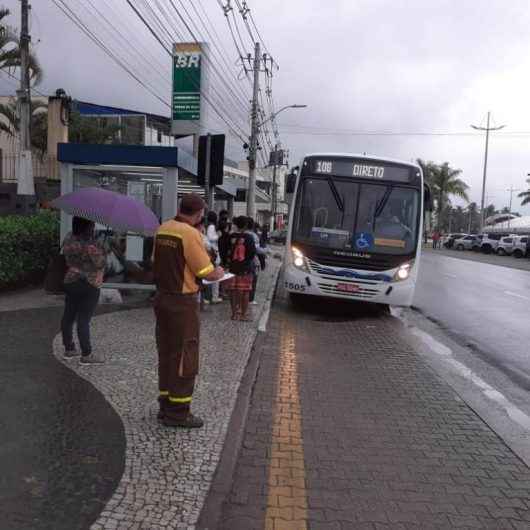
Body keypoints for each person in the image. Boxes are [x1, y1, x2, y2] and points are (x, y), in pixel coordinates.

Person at [152, 194, 224, 428]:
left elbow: (156, 261)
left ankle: (165, 405)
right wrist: (219, 272)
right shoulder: (190, 234)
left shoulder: (163, 229)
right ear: (200, 213)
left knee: (167, 353)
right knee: (186, 355)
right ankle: (179, 413)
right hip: (183, 303)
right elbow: (205, 271)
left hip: (162, 299)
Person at [61, 216, 106, 364]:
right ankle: (86, 355)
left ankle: (69, 349)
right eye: (92, 223)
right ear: (88, 226)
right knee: (83, 320)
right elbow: (100, 264)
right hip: (89, 283)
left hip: (70, 280)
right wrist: (102, 250)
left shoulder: (68, 238)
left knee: (68, 316)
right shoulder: (92, 245)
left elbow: (66, 258)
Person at [226, 216, 256, 321]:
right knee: (245, 291)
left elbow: (226, 250)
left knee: (233, 291)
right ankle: (243, 315)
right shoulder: (249, 237)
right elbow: (252, 253)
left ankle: (234, 314)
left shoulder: (231, 236)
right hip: (246, 268)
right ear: (246, 225)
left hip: (232, 267)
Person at [246, 217, 266, 305]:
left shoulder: (238, 234)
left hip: (239, 261)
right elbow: (257, 250)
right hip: (251, 261)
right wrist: (267, 251)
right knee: (252, 280)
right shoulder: (254, 236)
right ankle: (250, 299)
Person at [206, 211, 222, 303]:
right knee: (215, 277)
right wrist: (218, 236)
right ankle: (213, 296)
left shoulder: (209, 226)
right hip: (214, 255)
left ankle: (211, 296)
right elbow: (210, 238)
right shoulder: (211, 227)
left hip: (213, 254)